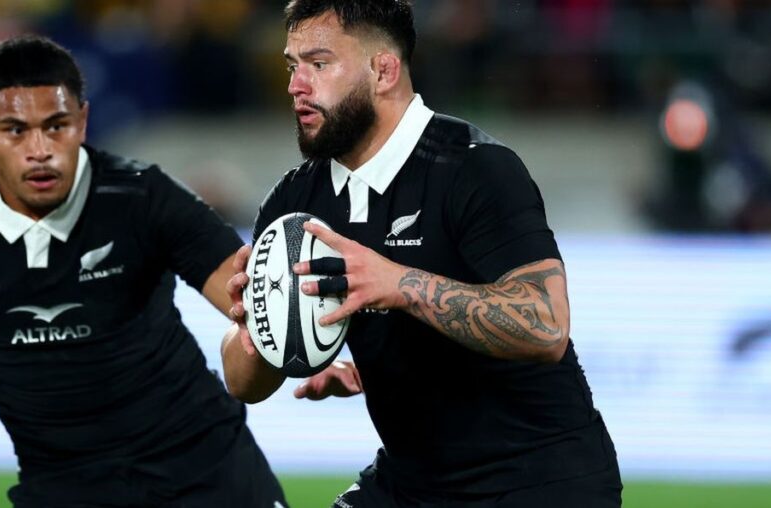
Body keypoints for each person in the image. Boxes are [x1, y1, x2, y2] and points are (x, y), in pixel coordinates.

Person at [0, 35, 293, 508]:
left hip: (207, 470)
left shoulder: (145, 197)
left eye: (56, 125)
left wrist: (289, 330)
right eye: (15, 130)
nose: (39, 149)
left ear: (83, 120)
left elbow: (248, 298)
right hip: (61, 487)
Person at [222, 1, 623, 507]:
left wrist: (398, 283)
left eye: (319, 64)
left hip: (539, 481)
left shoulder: (476, 170)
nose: (295, 86)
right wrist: (262, 329)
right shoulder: (294, 204)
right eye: (291, 65)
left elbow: (546, 326)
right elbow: (241, 382)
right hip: (413, 483)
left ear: (383, 69)